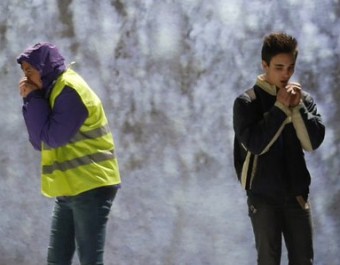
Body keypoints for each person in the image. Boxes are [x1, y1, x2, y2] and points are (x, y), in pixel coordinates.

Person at [17, 42, 121, 265]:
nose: (25, 79)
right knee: (57, 260)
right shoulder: (50, 92)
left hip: (91, 185)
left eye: (29, 71)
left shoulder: (69, 89)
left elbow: (54, 138)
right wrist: (31, 100)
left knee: (90, 259)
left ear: (44, 67)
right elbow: (39, 141)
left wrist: (34, 99)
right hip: (69, 187)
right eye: (24, 72)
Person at [233, 33, 325, 265]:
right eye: (279, 67)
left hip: (296, 195)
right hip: (263, 198)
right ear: (265, 65)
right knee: (268, 260)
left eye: (290, 68)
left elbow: (313, 142)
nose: (286, 74)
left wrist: (298, 108)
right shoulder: (247, 102)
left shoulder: (303, 99)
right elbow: (255, 144)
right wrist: (281, 108)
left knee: (304, 260)